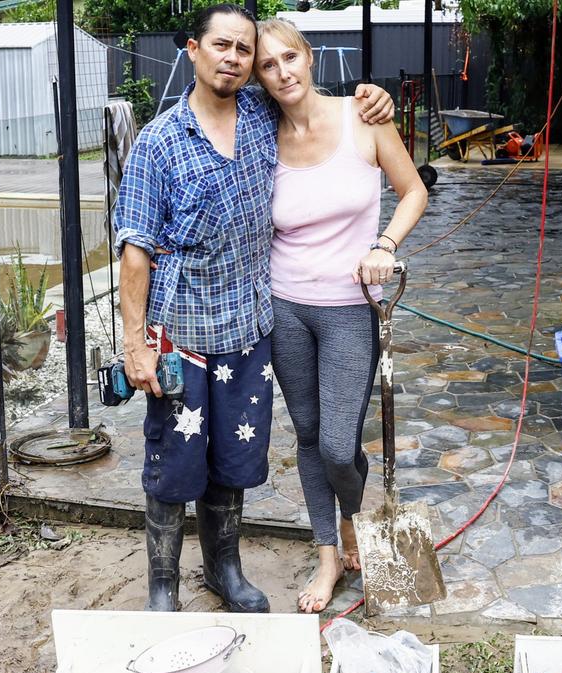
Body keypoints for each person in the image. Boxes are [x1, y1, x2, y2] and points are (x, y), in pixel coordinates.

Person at [113, 3, 395, 613]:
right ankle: (163, 583)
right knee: (173, 463)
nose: (237, 59)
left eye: (246, 51)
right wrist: (135, 344)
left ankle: (225, 570)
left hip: (249, 329)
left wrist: (373, 97)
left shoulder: (259, 113)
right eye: (224, 46)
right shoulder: (158, 143)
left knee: (234, 459)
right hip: (180, 337)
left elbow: (308, 96)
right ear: (193, 49)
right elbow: (134, 251)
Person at [255, 18, 429, 613]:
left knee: (336, 444)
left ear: (308, 56)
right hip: (285, 309)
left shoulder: (365, 117)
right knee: (308, 437)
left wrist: (385, 245)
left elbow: (413, 191)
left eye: (289, 58)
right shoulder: (261, 135)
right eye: (268, 66)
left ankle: (354, 518)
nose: (282, 73)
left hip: (351, 308)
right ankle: (329, 554)